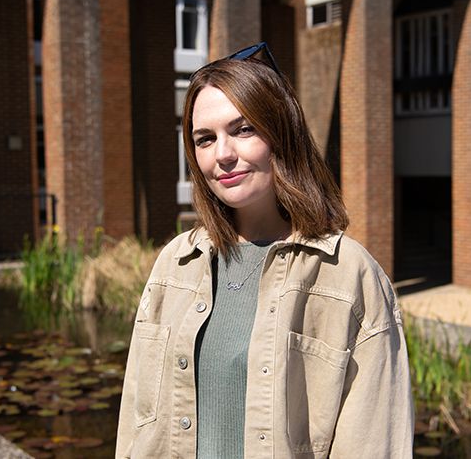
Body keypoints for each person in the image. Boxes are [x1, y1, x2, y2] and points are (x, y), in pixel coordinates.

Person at [116, 42, 413, 458]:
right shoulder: (176, 265)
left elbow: (375, 443)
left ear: (281, 134)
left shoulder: (348, 276)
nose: (223, 155)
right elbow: (135, 423)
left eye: (243, 130)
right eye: (205, 139)